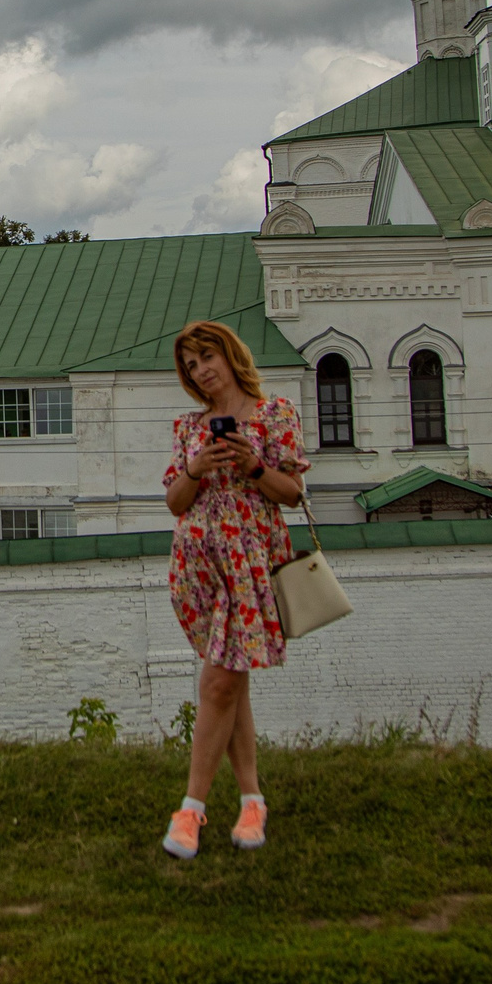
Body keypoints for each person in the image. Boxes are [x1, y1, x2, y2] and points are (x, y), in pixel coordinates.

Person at [160, 318, 307, 860]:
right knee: (231, 682)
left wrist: (253, 465)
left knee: (219, 684)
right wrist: (196, 467)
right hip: (198, 568)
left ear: (229, 355)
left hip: (250, 565)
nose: (200, 371)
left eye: (206, 357)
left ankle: (190, 812)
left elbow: (291, 493)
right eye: (191, 365)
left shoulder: (274, 415)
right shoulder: (188, 428)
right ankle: (251, 800)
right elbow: (176, 503)